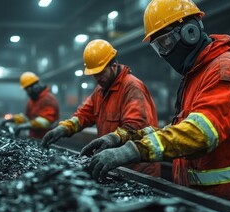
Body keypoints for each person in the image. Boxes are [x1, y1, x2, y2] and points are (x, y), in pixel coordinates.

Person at [82, 0, 230, 209]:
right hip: (200, 199)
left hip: (229, 205)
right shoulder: (196, 75)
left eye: (165, 43)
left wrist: (131, 151)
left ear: (190, 32)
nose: (164, 54)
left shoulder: (224, 71)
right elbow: (177, 131)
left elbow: (200, 133)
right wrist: (121, 138)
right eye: (159, 48)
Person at [41, 39, 161, 177]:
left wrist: (112, 139)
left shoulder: (132, 87)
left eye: (101, 73)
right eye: (94, 74)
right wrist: (64, 128)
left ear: (114, 65)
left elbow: (137, 127)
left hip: (137, 170)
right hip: (111, 164)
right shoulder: (100, 90)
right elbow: (83, 115)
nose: (97, 78)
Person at [1, 71, 60, 139]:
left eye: (27, 90)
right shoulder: (32, 101)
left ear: (35, 87)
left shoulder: (48, 99)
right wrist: (12, 119)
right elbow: (27, 118)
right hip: (35, 138)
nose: (27, 92)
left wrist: (22, 126)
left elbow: (45, 121)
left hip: (48, 139)